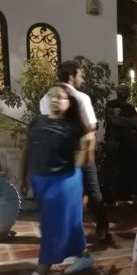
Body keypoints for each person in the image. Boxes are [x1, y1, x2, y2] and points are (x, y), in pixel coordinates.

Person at [16, 85, 94, 275]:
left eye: (60, 97)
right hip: (41, 181)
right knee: (70, 224)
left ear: (69, 103)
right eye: (51, 96)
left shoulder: (74, 127)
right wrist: (22, 177)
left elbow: (81, 162)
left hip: (64, 182)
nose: (55, 100)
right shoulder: (37, 122)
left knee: (52, 227)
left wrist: (87, 147)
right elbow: (27, 150)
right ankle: (85, 257)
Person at [39, 60, 110, 242]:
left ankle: (64, 231)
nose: (82, 79)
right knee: (93, 190)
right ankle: (102, 229)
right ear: (72, 77)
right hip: (79, 149)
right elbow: (91, 126)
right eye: (80, 75)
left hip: (56, 152)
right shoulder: (81, 98)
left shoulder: (46, 98)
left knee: (64, 191)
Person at [103, 84, 137, 202]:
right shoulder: (110, 104)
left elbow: (136, 121)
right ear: (116, 91)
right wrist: (127, 121)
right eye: (121, 90)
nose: (123, 92)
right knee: (113, 168)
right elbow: (114, 120)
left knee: (127, 168)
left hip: (128, 143)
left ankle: (125, 193)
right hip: (114, 142)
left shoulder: (130, 107)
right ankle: (110, 195)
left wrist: (122, 120)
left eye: (125, 90)